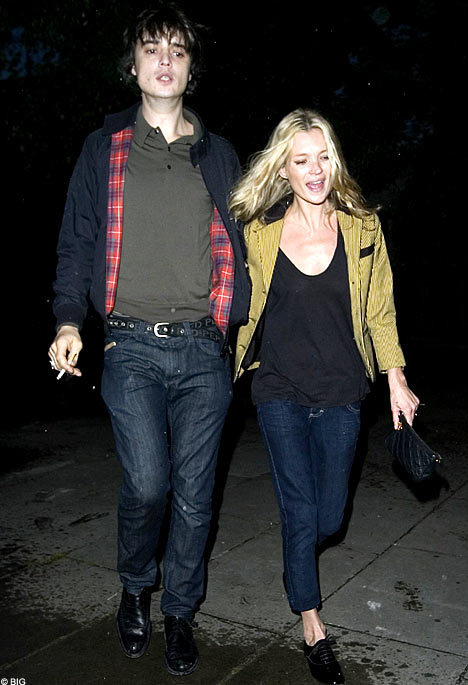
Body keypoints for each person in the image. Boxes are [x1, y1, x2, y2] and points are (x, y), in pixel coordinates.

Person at [48, 3, 250, 676]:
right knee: (148, 484)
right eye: (152, 49)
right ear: (133, 65)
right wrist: (68, 320)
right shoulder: (103, 148)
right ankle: (137, 585)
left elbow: (249, 242)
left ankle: (180, 612)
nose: (165, 60)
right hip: (129, 345)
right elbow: (77, 239)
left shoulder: (218, 154)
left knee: (196, 495)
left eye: (178, 51)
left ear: (191, 69)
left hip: (202, 348)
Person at [230, 109, 419, 684]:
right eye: (301, 160)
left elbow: (380, 308)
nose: (314, 171)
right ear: (283, 170)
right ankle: (312, 625)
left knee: (330, 516)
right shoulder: (258, 231)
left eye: (323, 158)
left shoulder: (362, 226)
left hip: (341, 390)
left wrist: (395, 376)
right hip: (278, 388)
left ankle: (297, 560)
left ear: (334, 162)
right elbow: (230, 292)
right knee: (301, 507)